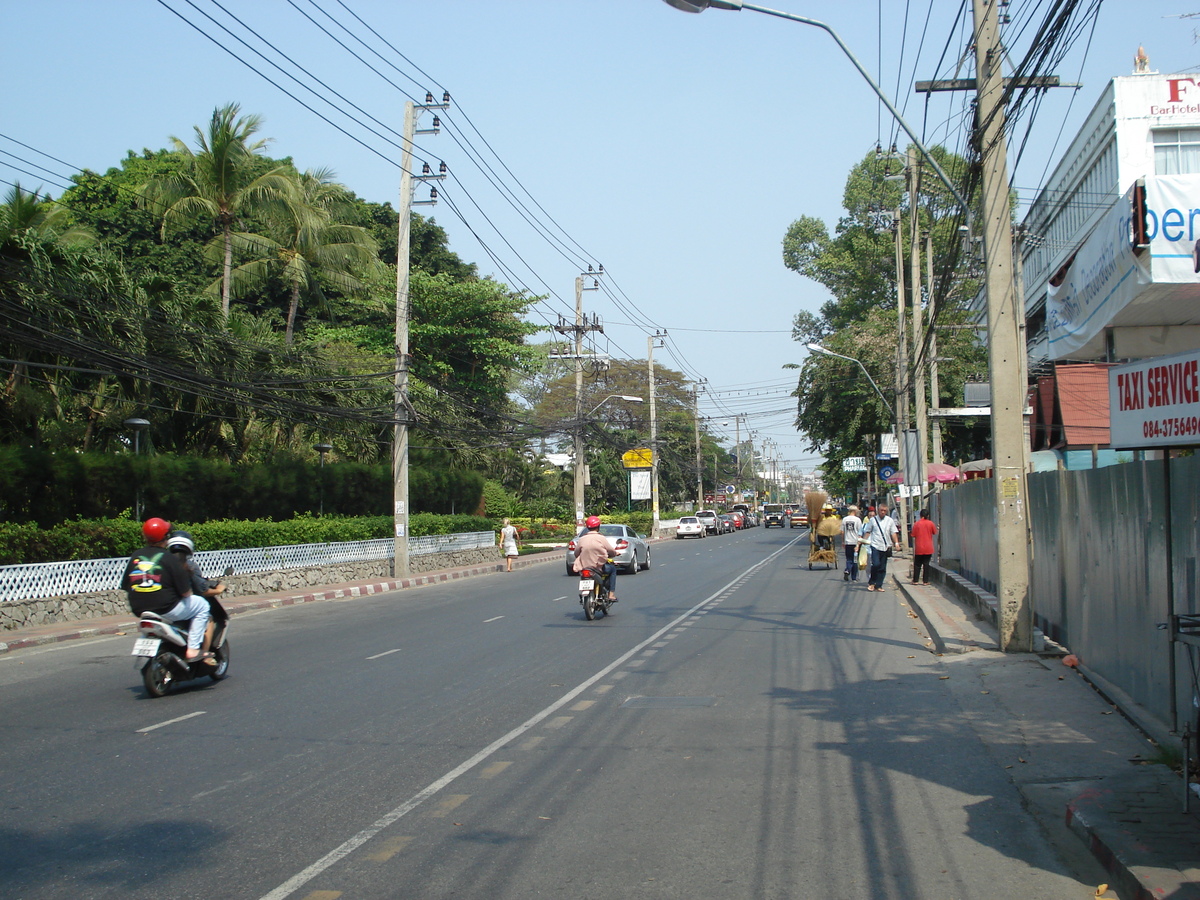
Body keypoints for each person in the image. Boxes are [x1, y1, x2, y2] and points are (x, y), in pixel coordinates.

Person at [121, 517, 211, 661]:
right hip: (166, 608)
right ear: (165, 537)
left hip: (139, 609)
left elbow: (126, 585)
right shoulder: (169, 558)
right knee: (202, 606)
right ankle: (193, 649)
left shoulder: (135, 556)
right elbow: (185, 592)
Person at [167, 530, 227, 658]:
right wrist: (219, 590)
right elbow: (203, 589)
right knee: (207, 615)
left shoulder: (162, 563)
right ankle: (203, 654)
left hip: (160, 606)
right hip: (177, 606)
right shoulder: (189, 566)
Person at [571, 515, 617, 601]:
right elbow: (610, 550)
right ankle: (611, 594)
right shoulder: (601, 538)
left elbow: (576, 553)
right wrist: (614, 553)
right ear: (598, 527)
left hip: (585, 567)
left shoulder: (582, 539)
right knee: (613, 569)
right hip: (597, 568)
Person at [860, 505, 900, 592]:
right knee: (876, 564)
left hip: (886, 547)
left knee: (882, 567)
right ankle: (872, 582)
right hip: (875, 546)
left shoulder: (890, 521)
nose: (883, 512)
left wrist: (896, 543)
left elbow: (893, 533)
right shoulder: (873, 520)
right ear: (878, 510)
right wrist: (863, 541)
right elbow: (868, 531)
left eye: (885, 511)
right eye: (881, 510)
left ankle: (879, 585)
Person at [910, 508, 938, 585]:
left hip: (919, 547)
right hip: (928, 547)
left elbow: (913, 535)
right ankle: (925, 581)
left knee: (917, 564)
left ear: (920, 515)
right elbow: (935, 532)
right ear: (928, 515)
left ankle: (915, 580)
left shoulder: (917, 524)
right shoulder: (931, 523)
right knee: (926, 564)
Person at [841, 505, 862, 582]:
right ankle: (853, 577)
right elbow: (860, 532)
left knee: (849, 559)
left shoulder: (844, 519)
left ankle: (847, 569)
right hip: (855, 542)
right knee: (855, 560)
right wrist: (859, 543)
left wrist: (843, 541)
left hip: (847, 542)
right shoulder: (858, 520)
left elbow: (842, 532)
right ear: (855, 511)